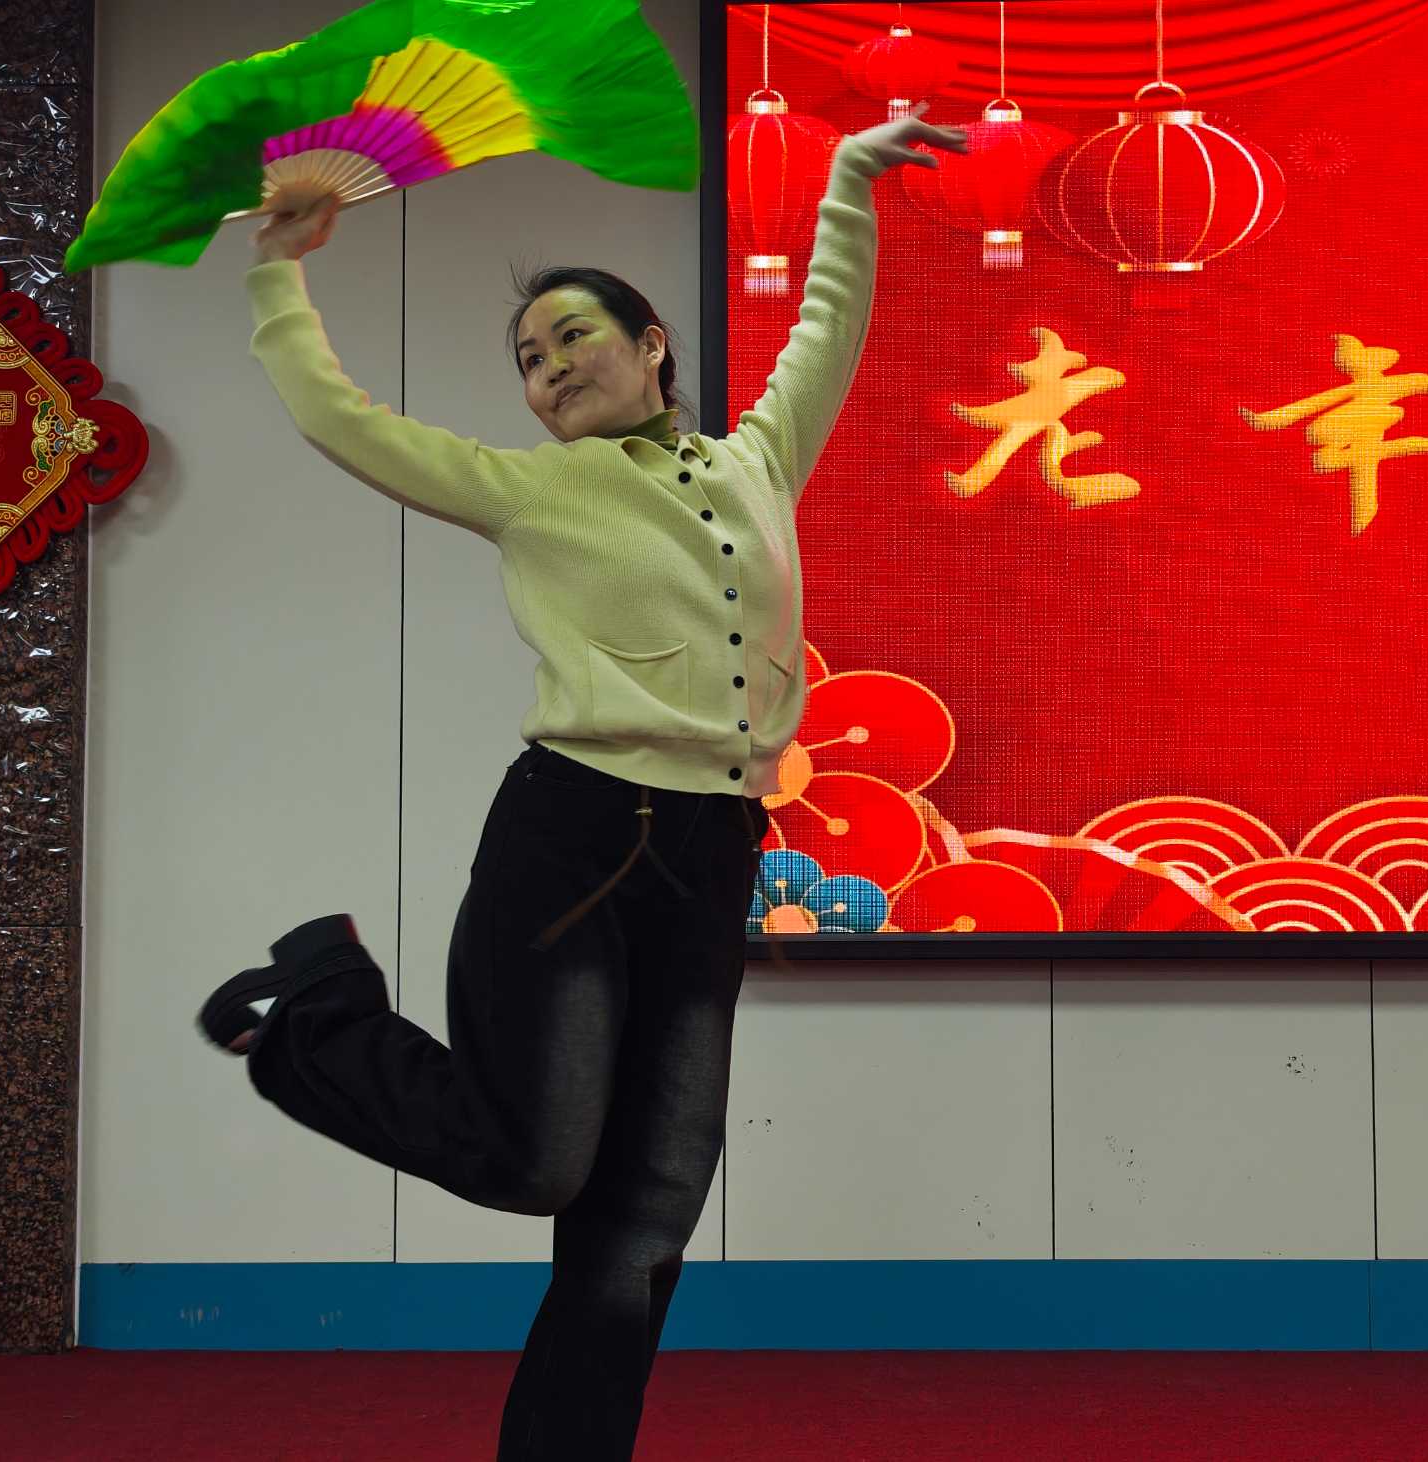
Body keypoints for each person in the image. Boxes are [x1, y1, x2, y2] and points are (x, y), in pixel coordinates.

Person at [193, 107, 967, 1460]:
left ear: (653, 343)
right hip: (575, 834)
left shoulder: (756, 462)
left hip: (712, 849)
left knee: (645, 1217)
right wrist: (278, 269)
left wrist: (848, 181)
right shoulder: (531, 490)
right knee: (540, 1160)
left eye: (570, 338)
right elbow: (337, 417)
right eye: (528, 361)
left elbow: (825, 329)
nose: (547, 371)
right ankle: (318, 1011)